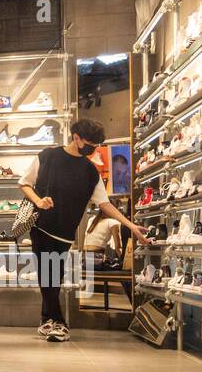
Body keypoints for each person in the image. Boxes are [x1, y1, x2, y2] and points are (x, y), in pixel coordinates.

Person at [18, 118, 150, 342]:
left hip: (65, 230)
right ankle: (59, 323)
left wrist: (129, 225)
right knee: (47, 272)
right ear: (76, 137)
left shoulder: (90, 171)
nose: (94, 149)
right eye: (91, 143)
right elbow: (24, 183)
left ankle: (46, 319)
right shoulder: (48, 156)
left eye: (97, 145)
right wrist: (39, 202)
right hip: (41, 224)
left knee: (53, 274)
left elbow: (104, 204)